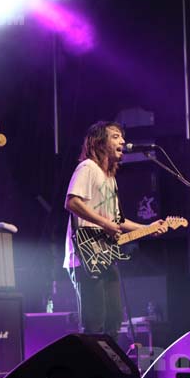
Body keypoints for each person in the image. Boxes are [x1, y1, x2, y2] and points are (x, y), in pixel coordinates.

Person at [63, 120, 167, 339]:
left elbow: (117, 220)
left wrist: (147, 228)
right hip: (85, 255)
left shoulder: (110, 178)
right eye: (115, 136)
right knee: (94, 322)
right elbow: (72, 202)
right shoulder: (88, 168)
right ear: (99, 142)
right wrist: (104, 224)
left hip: (104, 255)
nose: (123, 141)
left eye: (122, 136)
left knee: (114, 319)